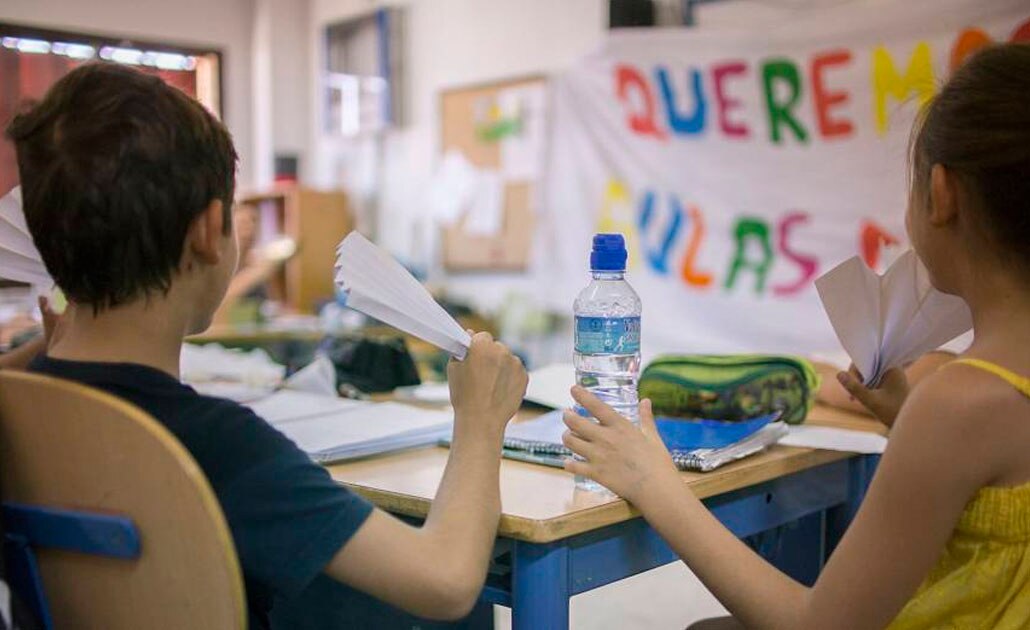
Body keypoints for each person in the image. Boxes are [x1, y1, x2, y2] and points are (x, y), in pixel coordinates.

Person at [6, 62, 529, 629]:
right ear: (209, 232)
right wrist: (479, 420)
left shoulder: (20, 408)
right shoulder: (220, 445)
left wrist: (32, 358)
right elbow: (446, 583)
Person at [561, 43, 1030, 629]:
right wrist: (905, 417)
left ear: (941, 194)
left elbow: (816, 625)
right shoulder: (961, 406)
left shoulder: (959, 405)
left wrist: (652, 483)